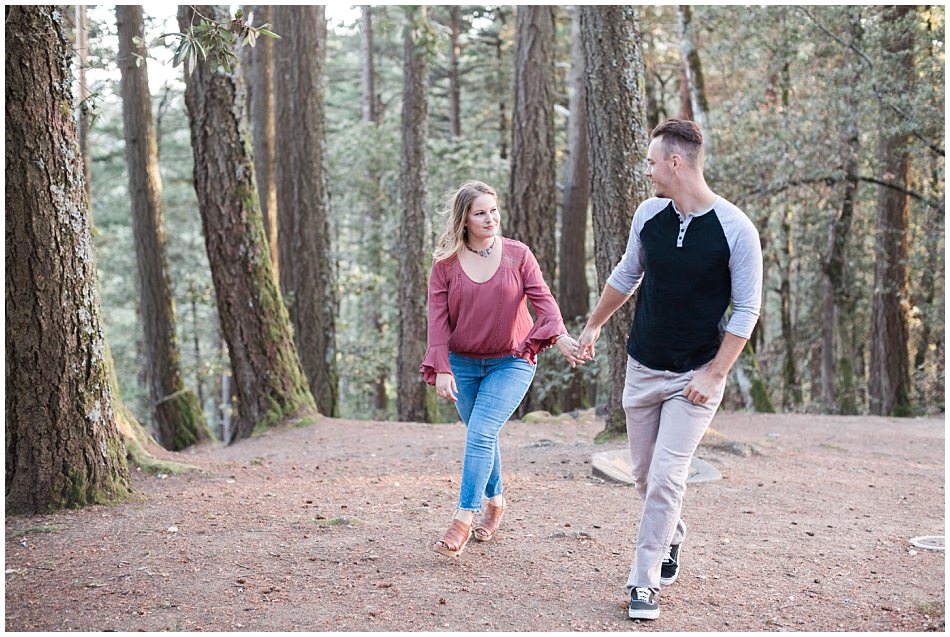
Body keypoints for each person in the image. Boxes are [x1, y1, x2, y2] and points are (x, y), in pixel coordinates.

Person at [576, 119, 762, 619]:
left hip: (694, 377)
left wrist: (716, 373)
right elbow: (626, 274)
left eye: (652, 162)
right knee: (643, 476)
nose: (648, 170)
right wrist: (593, 326)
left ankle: (643, 583)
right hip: (642, 368)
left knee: (666, 477)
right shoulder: (648, 215)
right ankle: (672, 535)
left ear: (674, 163)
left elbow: (746, 309)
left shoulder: (736, 229)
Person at [420, 180, 585, 558]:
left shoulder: (517, 255)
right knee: (484, 434)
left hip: (512, 359)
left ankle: (464, 516)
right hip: (462, 364)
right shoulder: (445, 264)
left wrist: (559, 338)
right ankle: (496, 502)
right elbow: (437, 320)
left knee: (479, 432)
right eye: (481, 213)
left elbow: (544, 300)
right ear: (465, 219)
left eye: (494, 210)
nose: (490, 218)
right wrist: (441, 367)